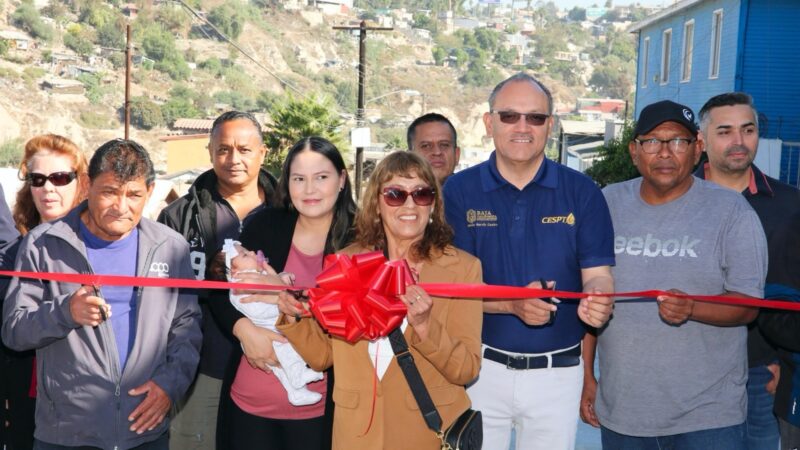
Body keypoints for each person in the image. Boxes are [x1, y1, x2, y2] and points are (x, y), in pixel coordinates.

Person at [443, 72, 615, 450]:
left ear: (549, 126)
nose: (523, 126)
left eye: (535, 117)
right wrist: (511, 304)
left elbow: (598, 275)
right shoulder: (457, 192)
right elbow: (450, 291)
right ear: (489, 123)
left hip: (558, 375)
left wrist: (599, 300)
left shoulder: (583, 192)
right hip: (478, 371)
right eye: (509, 116)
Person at [584, 100, 767, 448]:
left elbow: (749, 305)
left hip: (709, 418)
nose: (665, 153)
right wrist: (586, 377)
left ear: (697, 149)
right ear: (634, 151)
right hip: (624, 413)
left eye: (678, 141)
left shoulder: (732, 211)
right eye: (652, 141)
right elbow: (590, 297)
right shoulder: (605, 204)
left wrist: (693, 308)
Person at [1, 139, 202, 450]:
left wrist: (169, 386)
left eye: (134, 195)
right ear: (87, 185)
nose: (121, 207)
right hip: (66, 434)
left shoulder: (170, 247)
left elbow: (186, 330)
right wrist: (65, 312)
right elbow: (14, 331)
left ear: (150, 192)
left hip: (145, 430)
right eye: (109, 192)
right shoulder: (43, 244)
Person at [276, 151, 483, 449]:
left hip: (426, 432)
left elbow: (467, 369)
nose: (409, 204)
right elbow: (323, 355)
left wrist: (425, 326)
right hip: (357, 433)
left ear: (434, 204)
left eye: (422, 194)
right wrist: (294, 315)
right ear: (376, 203)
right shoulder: (346, 263)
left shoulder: (463, 268)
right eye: (396, 194)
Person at [207, 136, 356, 450]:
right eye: (299, 178)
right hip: (249, 405)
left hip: (322, 412)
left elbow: (353, 317)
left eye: (322, 177)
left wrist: (281, 293)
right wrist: (244, 329)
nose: (309, 189)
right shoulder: (265, 224)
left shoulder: (361, 238)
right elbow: (221, 289)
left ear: (342, 179)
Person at [157, 111, 277, 450]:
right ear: (210, 152)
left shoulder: (290, 213)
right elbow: (160, 298)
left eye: (244, 149)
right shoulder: (178, 216)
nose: (233, 158)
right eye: (223, 149)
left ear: (262, 153)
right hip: (202, 369)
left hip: (274, 369)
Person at [696, 92, 800, 449]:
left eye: (748, 129)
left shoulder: (791, 206)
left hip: (761, 376)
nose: (739, 141)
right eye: (724, 131)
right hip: (686, 371)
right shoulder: (676, 201)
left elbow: (794, 294)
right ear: (702, 140)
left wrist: (785, 368)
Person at [0, 134, 88, 450]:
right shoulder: (13, 252)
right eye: (38, 179)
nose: (48, 188)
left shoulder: (102, 246)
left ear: (82, 182)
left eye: (60, 178)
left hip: (84, 398)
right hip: (26, 392)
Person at [221, 239, 323, 406]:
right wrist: (280, 301)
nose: (254, 253)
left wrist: (281, 280)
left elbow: (274, 283)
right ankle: (298, 376)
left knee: (284, 360)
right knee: (286, 350)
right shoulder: (239, 289)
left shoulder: (258, 278)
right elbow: (260, 310)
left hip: (277, 330)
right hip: (270, 335)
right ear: (234, 272)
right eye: (245, 255)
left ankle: (296, 393)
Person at [407, 112, 461, 184]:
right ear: (409, 158)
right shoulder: (395, 194)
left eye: (444, 145)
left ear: (457, 155)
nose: (437, 152)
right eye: (426, 146)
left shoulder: (476, 193)